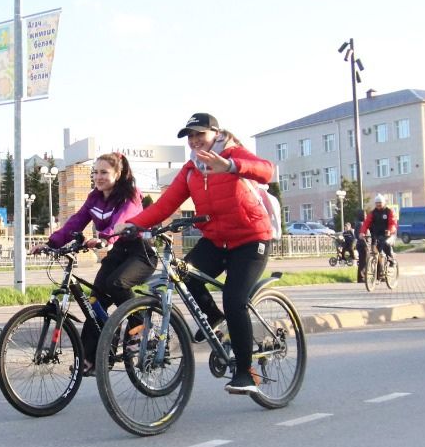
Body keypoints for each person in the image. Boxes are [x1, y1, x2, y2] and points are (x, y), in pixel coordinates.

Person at [121, 112, 275, 396]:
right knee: (182, 273)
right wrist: (133, 224)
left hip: (252, 239)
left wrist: (230, 166)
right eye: (189, 136)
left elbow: (267, 170)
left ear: (215, 133)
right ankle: (216, 323)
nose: (193, 141)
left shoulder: (232, 153)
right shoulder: (191, 170)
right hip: (217, 239)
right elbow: (165, 205)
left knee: (234, 298)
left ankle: (244, 372)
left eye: (199, 134)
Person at [33, 152, 147, 374]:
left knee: (116, 284)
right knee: (93, 303)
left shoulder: (130, 196)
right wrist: (50, 243)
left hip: (138, 253)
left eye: (104, 172)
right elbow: (75, 222)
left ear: (118, 173)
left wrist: (104, 237)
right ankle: (93, 358)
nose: (98, 176)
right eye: (95, 172)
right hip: (116, 255)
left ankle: (140, 327)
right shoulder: (94, 198)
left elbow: (121, 221)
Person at [358, 194, 398, 280]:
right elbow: (366, 224)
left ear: (383, 203)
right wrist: (362, 232)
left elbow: (393, 223)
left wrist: (389, 230)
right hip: (376, 235)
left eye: (380, 203)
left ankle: (391, 260)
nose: (378, 205)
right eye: (377, 203)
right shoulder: (373, 213)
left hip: (388, 234)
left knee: (386, 244)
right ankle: (379, 272)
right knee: (376, 251)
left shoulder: (389, 211)